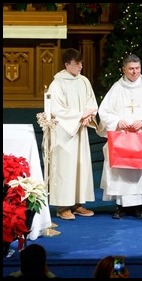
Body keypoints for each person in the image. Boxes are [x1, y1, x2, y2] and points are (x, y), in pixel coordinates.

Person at [98, 54, 142, 219]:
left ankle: (140, 205)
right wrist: (117, 121)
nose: (135, 72)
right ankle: (120, 205)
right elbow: (104, 111)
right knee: (121, 170)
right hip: (121, 136)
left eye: (137, 68)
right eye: (131, 69)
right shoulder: (116, 88)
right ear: (123, 69)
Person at [47, 48, 98, 220]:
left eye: (81, 63)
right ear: (67, 64)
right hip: (65, 134)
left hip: (80, 131)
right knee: (66, 168)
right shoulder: (57, 84)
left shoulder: (83, 81)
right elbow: (56, 110)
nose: (81, 66)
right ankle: (62, 206)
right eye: (77, 64)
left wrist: (89, 115)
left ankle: (77, 203)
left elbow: (91, 101)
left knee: (79, 167)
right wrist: (79, 116)